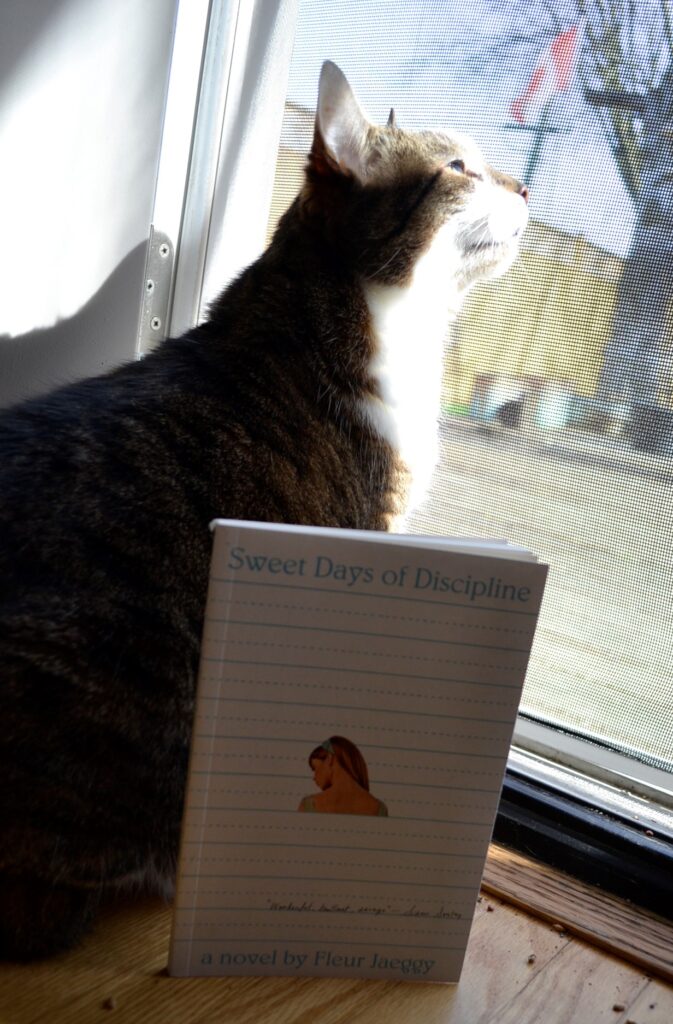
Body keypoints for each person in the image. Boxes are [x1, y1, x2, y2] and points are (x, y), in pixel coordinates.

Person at [297, 736, 388, 816]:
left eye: (314, 768)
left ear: (330, 758)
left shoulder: (309, 805)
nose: (314, 777)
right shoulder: (379, 808)